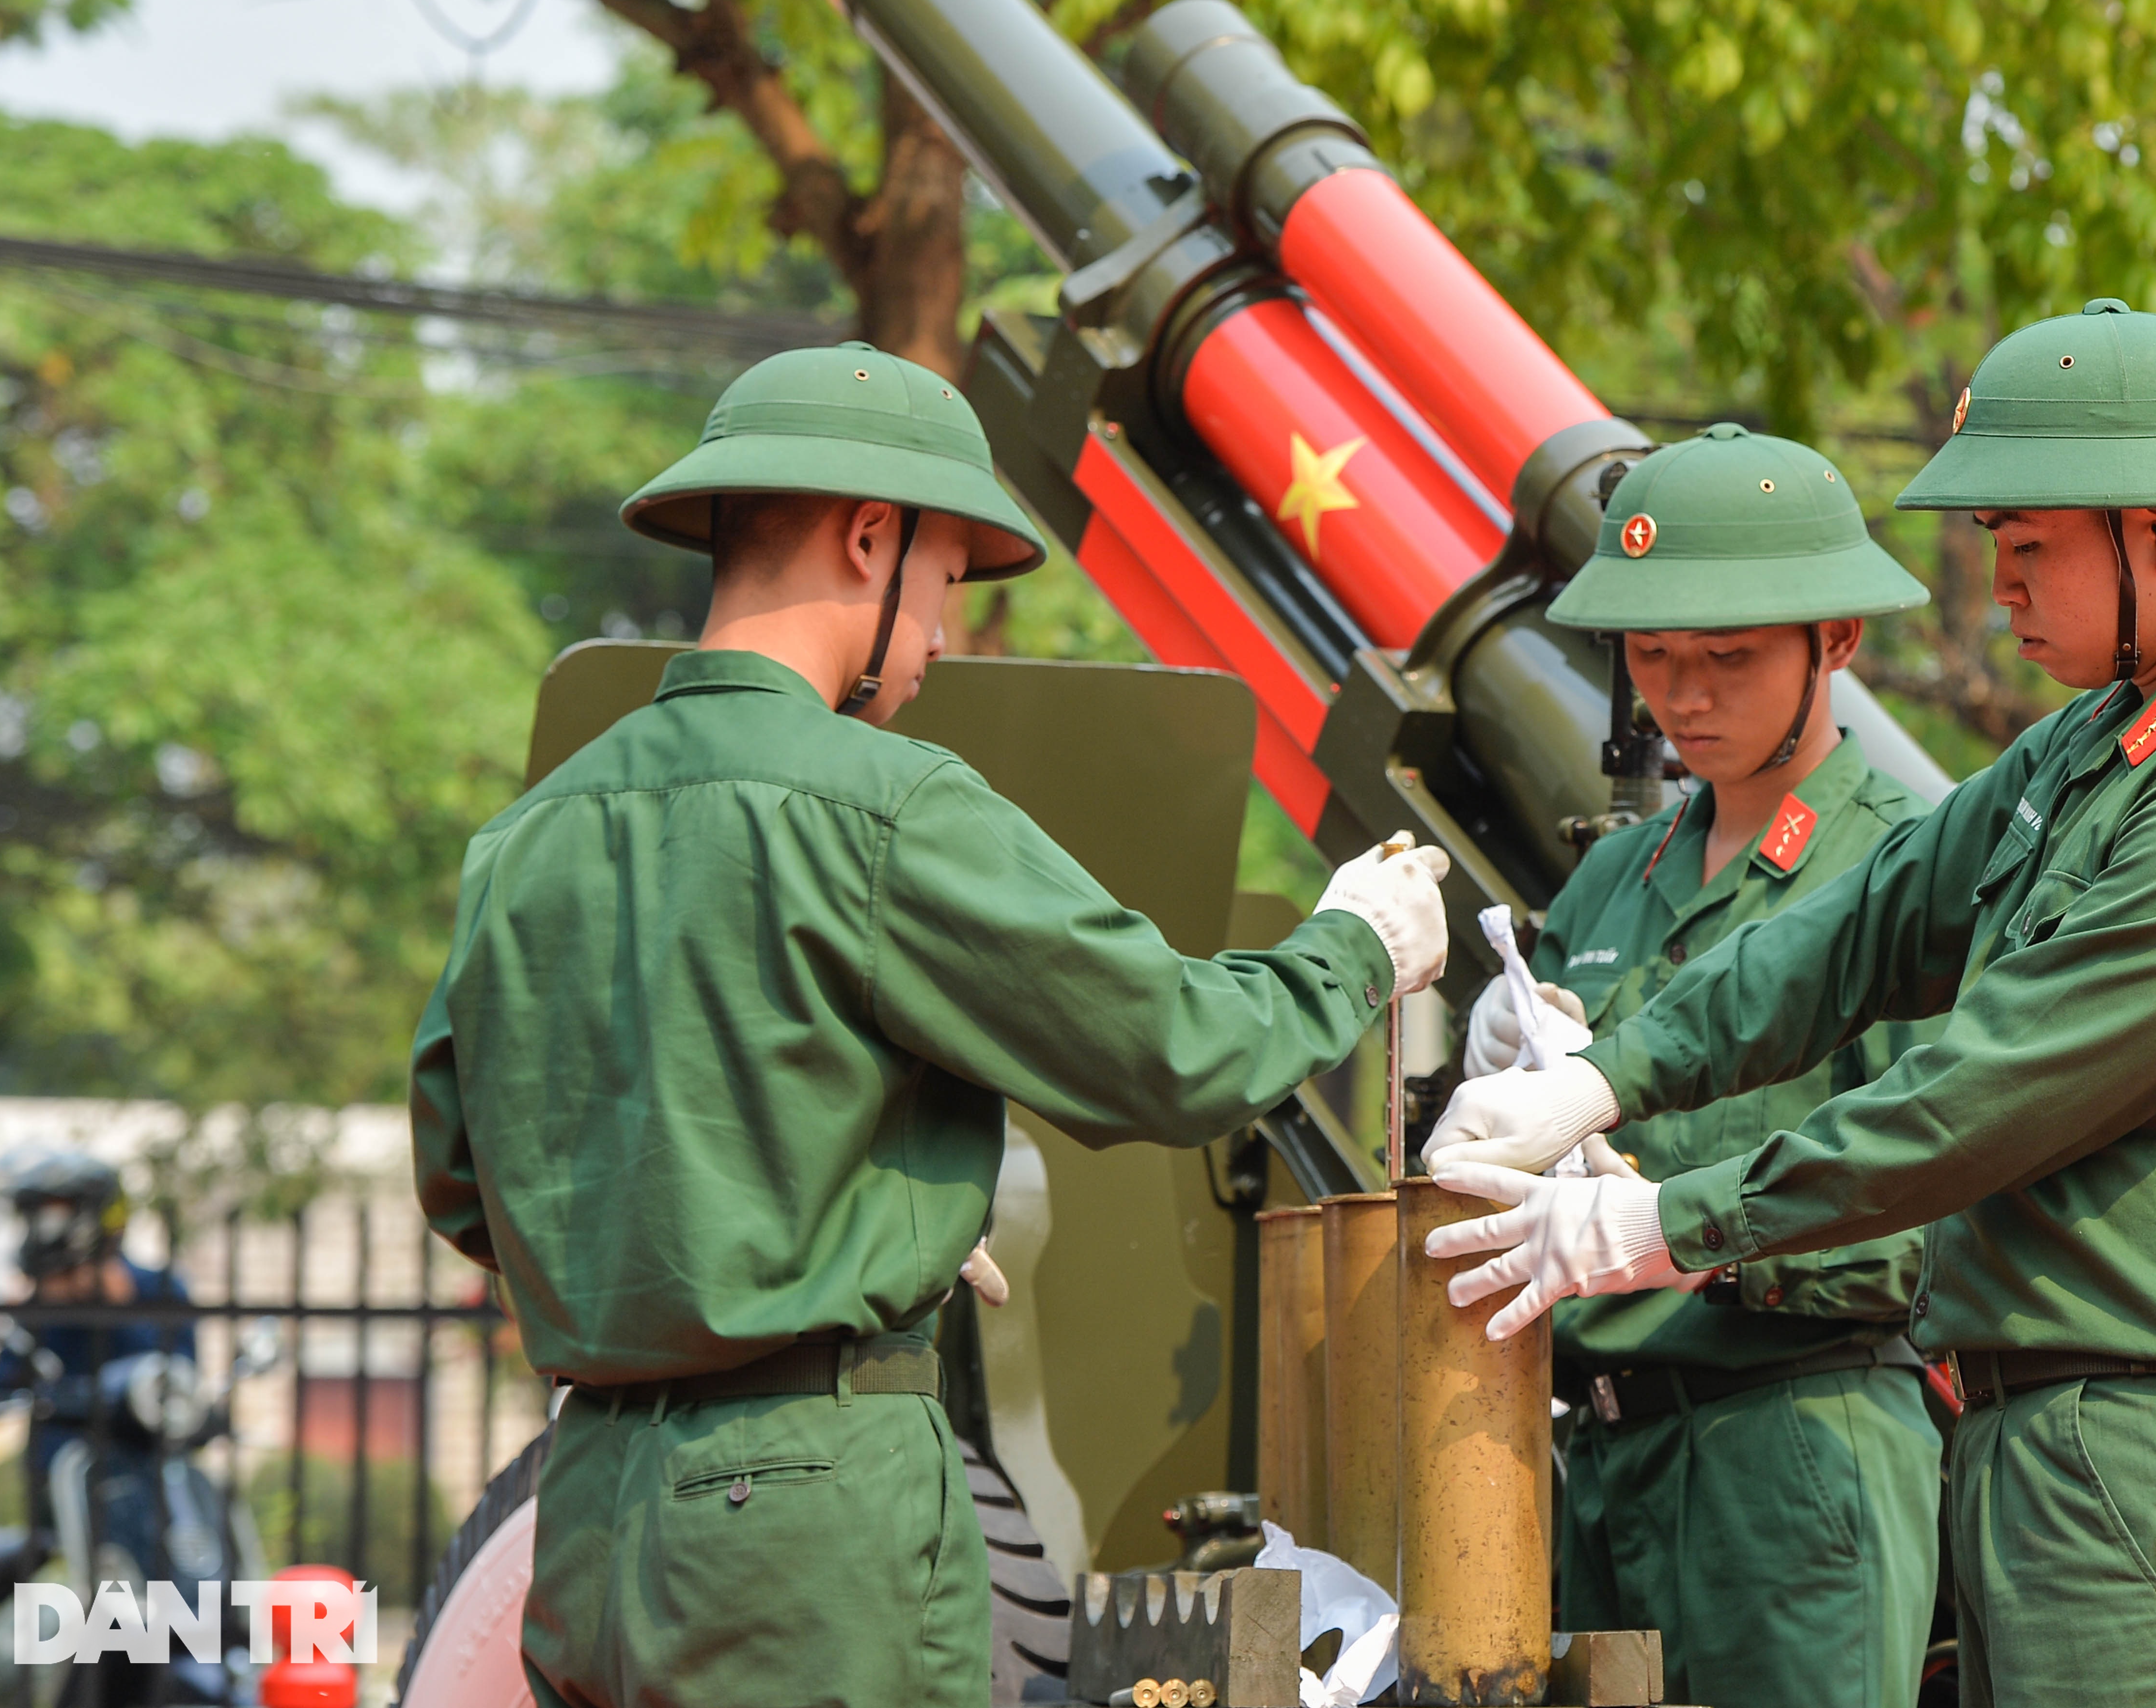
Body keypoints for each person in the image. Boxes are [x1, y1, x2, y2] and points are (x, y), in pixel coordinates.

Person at [409, 342, 1452, 1708]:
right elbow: (1181, 1048)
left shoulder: (527, 838)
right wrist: (1354, 949)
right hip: (810, 1518)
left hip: (594, 1511)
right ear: (869, 536)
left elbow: (465, 1176)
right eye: (948, 581)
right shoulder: (883, 804)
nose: (945, 635)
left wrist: (813, 1217)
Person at [1422, 299, 2156, 1708]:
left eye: (2022, 547)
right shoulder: (2109, 735)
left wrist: (1661, 1220)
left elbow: (1993, 1086)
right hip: (2048, 1436)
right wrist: (1607, 1075)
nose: (1996, 586)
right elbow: (1865, 921)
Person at [1466, 423, 1941, 1708]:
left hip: (1792, 1450)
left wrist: (1690, 1235)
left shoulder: (1903, 875)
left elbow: (1947, 1207)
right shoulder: (1620, 871)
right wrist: (1491, 1078)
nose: (1684, 695)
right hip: (1602, 1460)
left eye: (1728, 657)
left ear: (1836, 639)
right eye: (1654, 654)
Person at [0, 1151, 196, 1485]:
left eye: (53, 1216)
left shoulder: (159, 1287)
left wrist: (118, 1311)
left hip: (146, 1476)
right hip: (59, 1477)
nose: (42, 1230)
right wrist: (26, 1317)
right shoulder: (38, 1304)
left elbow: (180, 1381)